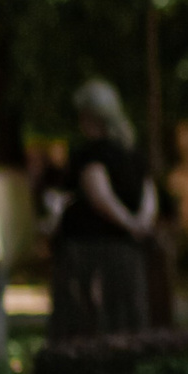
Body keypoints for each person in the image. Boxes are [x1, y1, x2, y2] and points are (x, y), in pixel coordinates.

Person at [50, 80, 158, 339]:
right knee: (126, 321)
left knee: (88, 321)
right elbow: (149, 196)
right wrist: (140, 225)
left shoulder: (89, 155)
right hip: (127, 251)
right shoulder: (132, 153)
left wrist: (128, 224)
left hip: (91, 251)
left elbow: (98, 192)